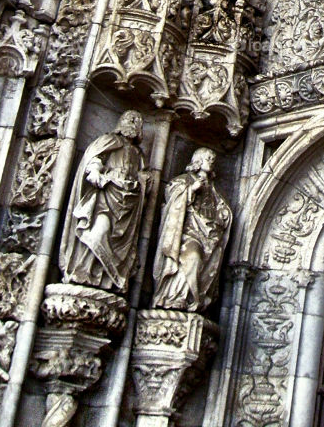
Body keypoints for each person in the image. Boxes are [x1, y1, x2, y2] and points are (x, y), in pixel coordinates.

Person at [60, 110, 146, 292]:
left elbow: (142, 176)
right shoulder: (110, 140)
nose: (133, 124)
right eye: (130, 119)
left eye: (137, 121)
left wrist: (143, 182)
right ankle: (81, 273)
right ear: (121, 123)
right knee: (98, 233)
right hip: (105, 197)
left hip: (126, 204)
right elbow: (95, 159)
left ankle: (103, 280)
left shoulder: (138, 154)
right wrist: (95, 171)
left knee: (114, 241)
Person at [152, 148, 232, 310]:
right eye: (208, 158)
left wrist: (224, 214)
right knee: (192, 257)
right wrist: (192, 189)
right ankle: (175, 297)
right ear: (198, 161)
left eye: (212, 160)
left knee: (209, 264)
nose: (211, 162)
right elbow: (172, 197)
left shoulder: (213, 189)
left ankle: (194, 300)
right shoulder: (184, 181)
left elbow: (220, 207)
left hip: (209, 235)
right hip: (188, 232)